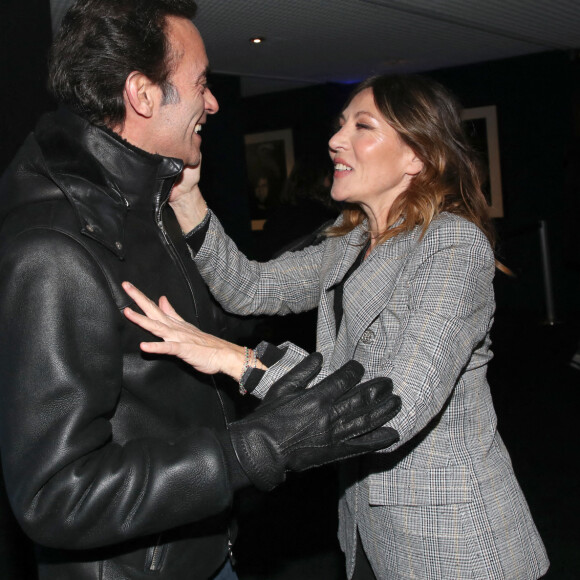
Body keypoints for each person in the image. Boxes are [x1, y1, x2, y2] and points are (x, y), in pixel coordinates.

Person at [0, 2, 404, 578]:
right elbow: (56, 497)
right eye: (201, 83)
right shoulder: (53, 250)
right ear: (142, 95)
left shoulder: (146, 204)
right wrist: (255, 446)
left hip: (203, 545)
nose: (212, 102)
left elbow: (211, 327)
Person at [122, 74, 550, 579]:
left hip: (454, 540)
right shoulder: (350, 243)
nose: (335, 139)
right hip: (368, 527)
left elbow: (393, 405)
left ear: (417, 157)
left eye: (362, 126)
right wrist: (187, 200)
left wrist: (237, 360)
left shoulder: (453, 247)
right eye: (340, 124)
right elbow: (251, 288)